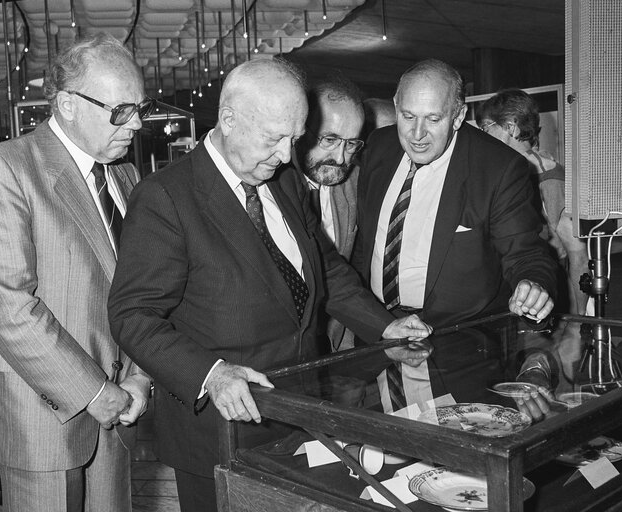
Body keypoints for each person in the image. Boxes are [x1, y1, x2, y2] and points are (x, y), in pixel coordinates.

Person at [107, 58, 433, 512]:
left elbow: (326, 268)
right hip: (222, 428)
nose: (285, 155)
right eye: (274, 138)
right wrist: (212, 374)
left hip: (301, 413)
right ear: (229, 120)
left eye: (295, 139)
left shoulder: (282, 182)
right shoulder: (166, 197)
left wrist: (384, 326)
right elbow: (132, 315)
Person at [0, 33, 152, 511]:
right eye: (121, 109)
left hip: (120, 407)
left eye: (141, 107)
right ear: (67, 104)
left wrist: (139, 378)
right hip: (44, 415)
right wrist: (93, 391)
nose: (138, 123)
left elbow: (143, 290)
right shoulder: (4, 168)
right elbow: (7, 306)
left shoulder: (125, 175)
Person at [351, 59, 558, 410]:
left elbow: (525, 253)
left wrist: (533, 283)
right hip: (377, 336)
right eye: (408, 116)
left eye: (433, 119)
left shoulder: (498, 168)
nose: (417, 134)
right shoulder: (379, 147)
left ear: (458, 116)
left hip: (457, 347)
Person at [477, 88, 591, 315]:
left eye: (486, 128)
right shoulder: (503, 173)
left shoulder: (548, 176)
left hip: (545, 294)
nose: (481, 136)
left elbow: (577, 254)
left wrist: (578, 319)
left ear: (510, 127)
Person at [290, 76, 365, 351]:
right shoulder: (271, 186)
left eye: (351, 144)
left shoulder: (354, 180)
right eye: (330, 139)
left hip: (339, 342)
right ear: (300, 130)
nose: (341, 158)